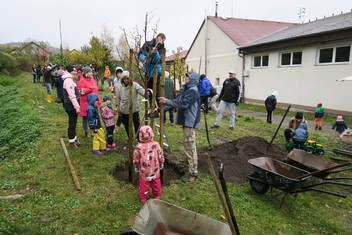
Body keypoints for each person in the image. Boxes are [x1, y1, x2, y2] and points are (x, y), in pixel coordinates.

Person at [159, 72, 201, 183]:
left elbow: (183, 104)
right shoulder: (188, 90)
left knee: (190, 147)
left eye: (187, 76)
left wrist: (166, 101)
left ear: (192, 79)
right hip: (186, 122)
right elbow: (176, 101)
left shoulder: (193, 91)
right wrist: (160, 109)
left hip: (190, 122)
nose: (185, 77)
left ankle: (193, 174)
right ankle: (190, 167)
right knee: (188, 145)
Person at [133, 125, 165, 203]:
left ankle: (143, 198)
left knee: (144, 184)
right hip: (155, 169)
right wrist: (161, 163)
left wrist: (136, 167)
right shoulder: (156, 145)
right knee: (156, 182)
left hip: (144, 171)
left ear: (140, 135)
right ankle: (157, 195)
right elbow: (160, 155)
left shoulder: (138, 147)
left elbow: (136, 159)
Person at [116, 71, 147, 137]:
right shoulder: (120, 87)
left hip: (134, 110)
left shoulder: (135, 85)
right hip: (124, 110)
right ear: (122, 79)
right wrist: (119, 109)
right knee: (127, 126)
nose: (126, 80)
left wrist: (148, 92)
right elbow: (118, 99)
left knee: (137, 125)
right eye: (124, 79)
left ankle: (138, 139)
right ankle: (130, 138)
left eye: (127, 78)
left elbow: (142, 91)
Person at [139, 33, 166, 105]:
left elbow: (159, 60)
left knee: (156, 92)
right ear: (156, 38)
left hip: (156, 73)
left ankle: (157, 109)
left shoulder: (162, 49)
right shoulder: (147, 44)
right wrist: (145, 59)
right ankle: (150, 108)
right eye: (159, 39)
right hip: (147, 72)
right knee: (148, 92)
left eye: (162, 41)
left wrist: (155, 52)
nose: (160, 42)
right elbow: (140, 54)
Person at [78, 66, 101, 138]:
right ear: (85, 73)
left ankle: (94, 129)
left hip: (94, 102)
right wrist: (90, 88)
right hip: (86, 103)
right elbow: (81, 92)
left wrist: (98, 100)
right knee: (86, 117)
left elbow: (96, 91)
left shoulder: (93, 80)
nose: (91, 73)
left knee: (94, 116)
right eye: (89, 72)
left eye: (91, 72)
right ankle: (86, 131)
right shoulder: (81, 81)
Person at [62, 64, 81, 148]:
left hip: (72, 105)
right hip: (71, 106)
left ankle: (74, 139)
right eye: (74, 71)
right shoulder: (68, 81)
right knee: (72, 124)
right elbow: (71, 96)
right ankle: (71, 142)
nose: (75, 72)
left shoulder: (70, 80)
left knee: (74, 123)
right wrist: (77, 106)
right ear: (70, 71)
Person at [112, 67, 124, 133]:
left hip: (123, 98)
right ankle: (125, 125)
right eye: (117, 73)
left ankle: (116, 127)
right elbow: (115, 89)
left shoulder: (124, 80)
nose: (119, 74)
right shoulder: (115, 80)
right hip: (117, 98)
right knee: (121, 113)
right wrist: (113, 91)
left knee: (121, 113)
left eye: (120, 73)